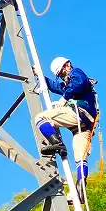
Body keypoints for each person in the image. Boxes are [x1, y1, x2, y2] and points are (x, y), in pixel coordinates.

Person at [34, 56, 98, 197]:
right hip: (84, 124)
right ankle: (81, 186)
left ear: (67, 65)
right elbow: (55, 86)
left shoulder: (76, 73)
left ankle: (57, 143)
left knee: (40, 118)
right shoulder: (68, 84)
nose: (63, 76)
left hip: (79, 114)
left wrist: (64, 99)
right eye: (60, 75)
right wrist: (39, 75)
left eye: (62, 73)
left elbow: (78, 83)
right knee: (80, 157)